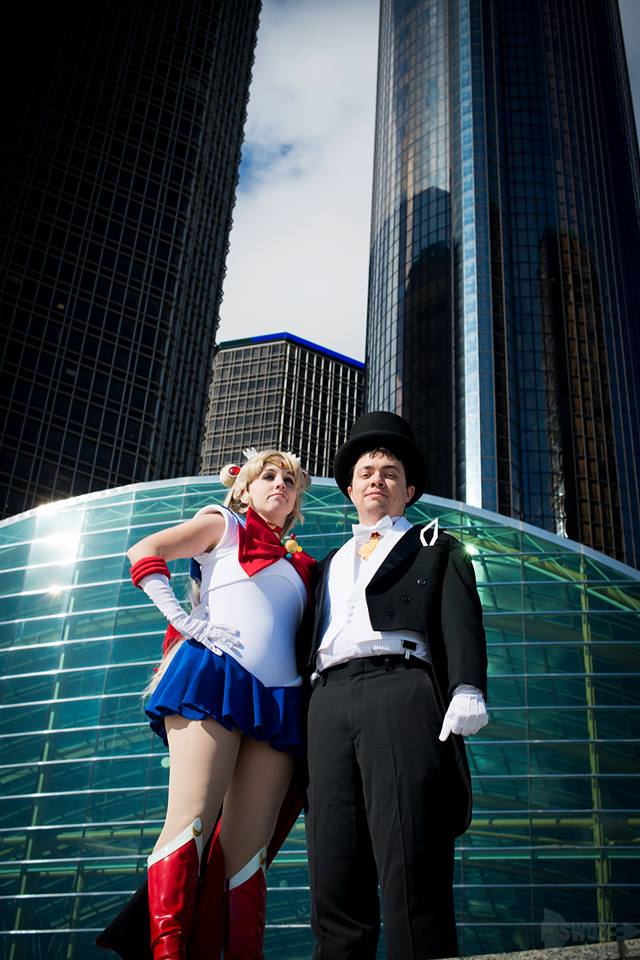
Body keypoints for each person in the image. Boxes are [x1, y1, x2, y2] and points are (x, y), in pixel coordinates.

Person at [97, 449, 316, 960]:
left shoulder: (305, 566)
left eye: (289, 481)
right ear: (244, 488)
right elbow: (145, 549)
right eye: (268, 475)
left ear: (295, 502)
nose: (280, 484)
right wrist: (183, 620)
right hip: (217, 677)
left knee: (248, 855)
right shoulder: (224, 523)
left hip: (279, 703)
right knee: (191, 821)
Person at [305, 411, 488, 960]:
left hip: (401, 689)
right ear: (349, 489)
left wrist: (467, 686)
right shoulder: (325, 564)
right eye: (365, 472)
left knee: (411, 858)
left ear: (408, 491)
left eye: (389, 472)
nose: (376, 480)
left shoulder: (436, 546)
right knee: (333, 861)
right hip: (326, 701)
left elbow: (461, 617)